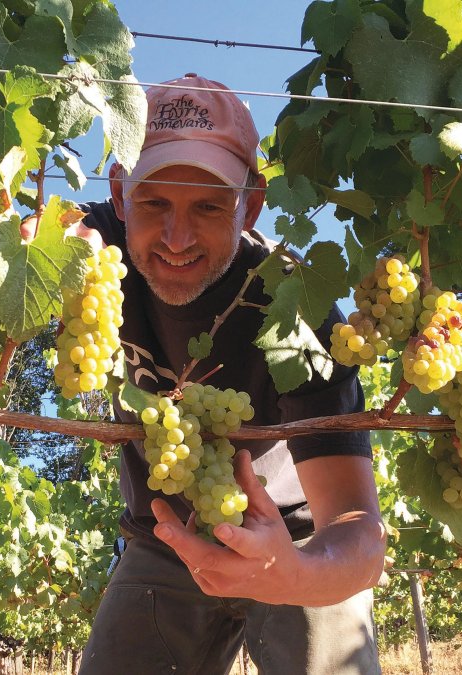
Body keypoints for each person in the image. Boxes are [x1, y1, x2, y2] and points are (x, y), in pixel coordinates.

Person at [74, 74, 387, 675]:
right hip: (161, 541)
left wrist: (297, 573)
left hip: (293, 538)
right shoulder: (96, 251)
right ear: (119, 193)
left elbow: (359, 535)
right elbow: (36, 240)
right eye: (155, 202)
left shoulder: (294, 307)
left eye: (210, 206)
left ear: (253, 204)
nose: (176, 237)